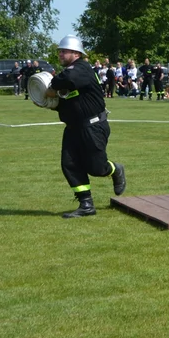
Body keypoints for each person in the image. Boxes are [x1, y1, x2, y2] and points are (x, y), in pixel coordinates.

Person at [43, 35, 127, 218]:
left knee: (96, 168)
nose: (60, 54)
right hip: (73, 127)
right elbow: (64, 99)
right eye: (59, 51)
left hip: (93, 126)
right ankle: (86, 204)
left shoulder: (81, 68)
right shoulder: (69, 73)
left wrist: (52, 87)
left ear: (76, 53)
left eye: (64, 51)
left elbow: (66, 80)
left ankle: (115, 169)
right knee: (69, 164)